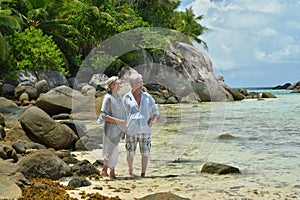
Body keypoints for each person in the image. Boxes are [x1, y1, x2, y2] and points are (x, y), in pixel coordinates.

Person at [123, 73, 159, 178]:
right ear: (132, 84)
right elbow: (123, 115)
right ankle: (130, 171)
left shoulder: (147, 97)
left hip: (145, 129)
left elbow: (155, 111)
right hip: (131, 129)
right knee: (130, 152)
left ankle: (143, 173)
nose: (141, 84)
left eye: (141, 82)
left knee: (145, 153)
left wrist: (153, 120)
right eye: (138, 82)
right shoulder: (126, 97)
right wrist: (123, 131)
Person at [97, 76, 126, 179]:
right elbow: (104, 115)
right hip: (109, 127)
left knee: (114, 149)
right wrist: (118, 121)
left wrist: (123, 130)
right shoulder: (107, 97)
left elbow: (123, 114)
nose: (120, 86)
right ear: (111, 85)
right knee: (110, 149)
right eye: (117, 84)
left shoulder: (119, 97)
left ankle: (107, 170)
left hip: (118, 128)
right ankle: (109, 171)